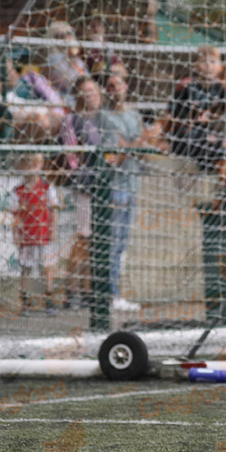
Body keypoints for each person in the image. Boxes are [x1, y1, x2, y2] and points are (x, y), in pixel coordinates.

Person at [98, 72, 143, 312]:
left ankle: (115, 293)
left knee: (123, 243)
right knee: (112, 243)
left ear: (126, 86)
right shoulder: (104, 117)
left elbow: (144, 147)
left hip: (133, 184)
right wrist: (139, 142)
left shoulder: (134, 115)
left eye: (118, 84)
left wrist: (139, 143)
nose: (115, 89)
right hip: (115, 186)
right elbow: (117, 154)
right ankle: (110, 294)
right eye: (110, 86)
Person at [58, 76, 102, 308]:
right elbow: (71, 156)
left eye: (94, 90)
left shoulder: (102, 119)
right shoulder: (72, 120)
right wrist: (82, 172)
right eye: (86, 91)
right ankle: (72, 289)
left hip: (103, 185)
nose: (92, 95)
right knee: (83, 237)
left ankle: (88, 289)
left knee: (96, 240)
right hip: (83, 185)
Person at [169, 45, 226, 174]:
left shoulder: (222, 88)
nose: (208, 66)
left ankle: (223, 188)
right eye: (203, 61)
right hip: (185, 139)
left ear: (220, 66)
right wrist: (218, 141)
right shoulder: (186, 86)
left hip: (208, 140)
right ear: (195, 66)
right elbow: (176, 120)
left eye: (213, 61)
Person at [10, 153, 60, 315]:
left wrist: (53, 229)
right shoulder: (17, 191)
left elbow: (53, 211)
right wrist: (16, 234)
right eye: (27, 165)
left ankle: (49, 301)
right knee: (26, 269)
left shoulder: (47, 188)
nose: (31, 169)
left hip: (44, 235)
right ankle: (24, 301)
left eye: (35, 165)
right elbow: (15, 215)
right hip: (27, 236)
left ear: (40, 166)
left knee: (47, 268)